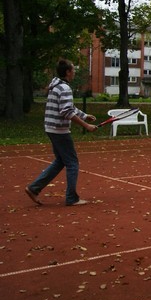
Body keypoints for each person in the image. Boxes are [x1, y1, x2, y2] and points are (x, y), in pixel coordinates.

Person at [25, 59, 97, 206]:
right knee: (72, 163)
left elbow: (67, 107)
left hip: (51, 128)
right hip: (59, 130)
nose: (75, 72)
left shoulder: (56, 86)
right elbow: (66, 111)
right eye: (73, 70)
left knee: (60, 161)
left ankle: (34, 188)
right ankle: (71, 198)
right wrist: (86, 125)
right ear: (68, 72)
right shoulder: (64, 88)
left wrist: (84, 115)